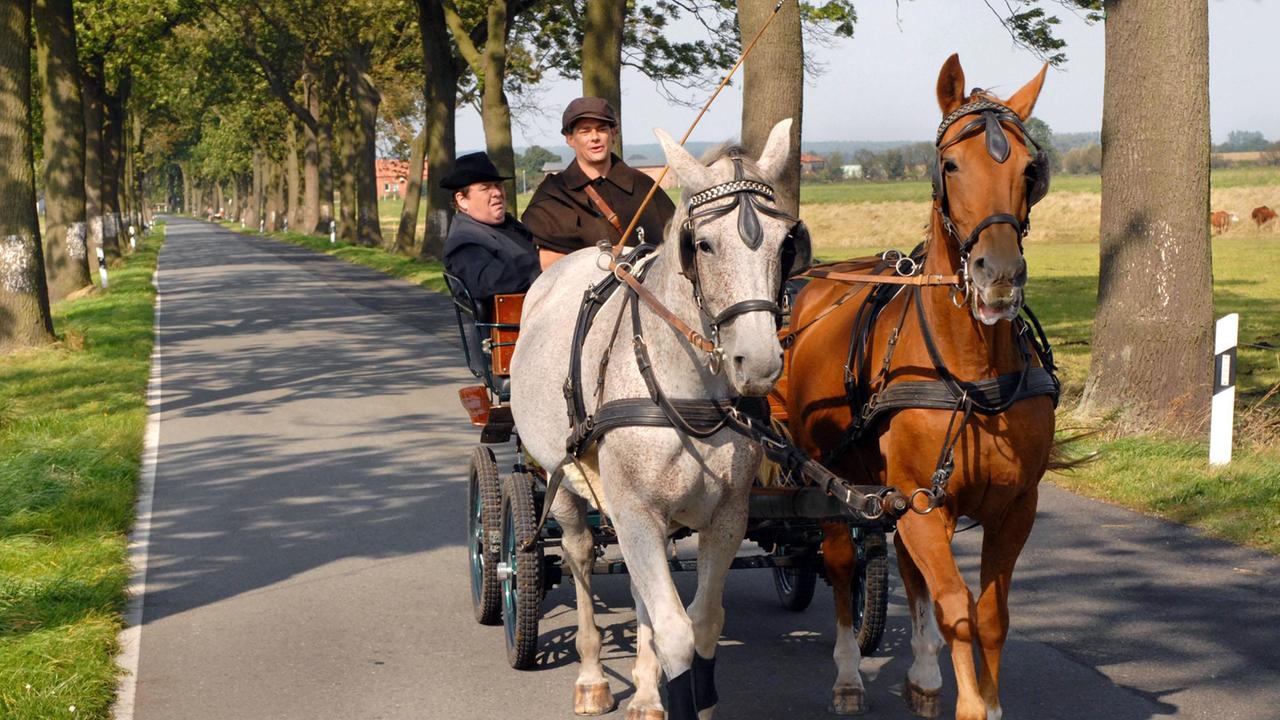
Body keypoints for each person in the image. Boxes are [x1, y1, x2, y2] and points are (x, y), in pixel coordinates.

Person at [522, 97, 676, 269]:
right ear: (570, 138)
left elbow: (676, 248)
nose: (594, 137)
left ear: (614, 134)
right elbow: (552, 269)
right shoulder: (553, 195)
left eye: (601, 129)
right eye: (585, 131)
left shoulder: (644, 186)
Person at [442, 152, 540, 302]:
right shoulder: (463, 241)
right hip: (517, 321)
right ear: (462, 200)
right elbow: (487, 281)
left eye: (498, 185)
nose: (497, 193)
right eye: (485, 188)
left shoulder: (512, 226)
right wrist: (542, 263)